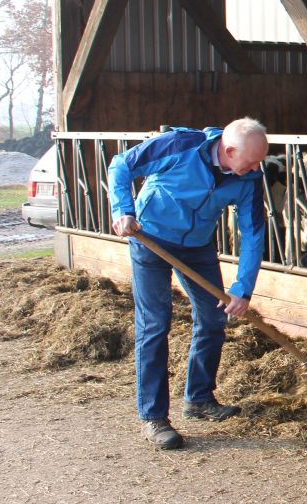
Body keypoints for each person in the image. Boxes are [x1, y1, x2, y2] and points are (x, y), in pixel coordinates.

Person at [107, 118, 269, 450]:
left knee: (212, 319)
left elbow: (253, 234)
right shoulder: (179, 146)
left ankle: (198, 397)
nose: (256, 167)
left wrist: (243, 288)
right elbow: (120, 165)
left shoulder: (249, 178)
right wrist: (123, 209)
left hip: (197, 246)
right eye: (252, 160)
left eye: (259, 161)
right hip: (149, 237)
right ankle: (154, 417)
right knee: (155, 323)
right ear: (229, 150)